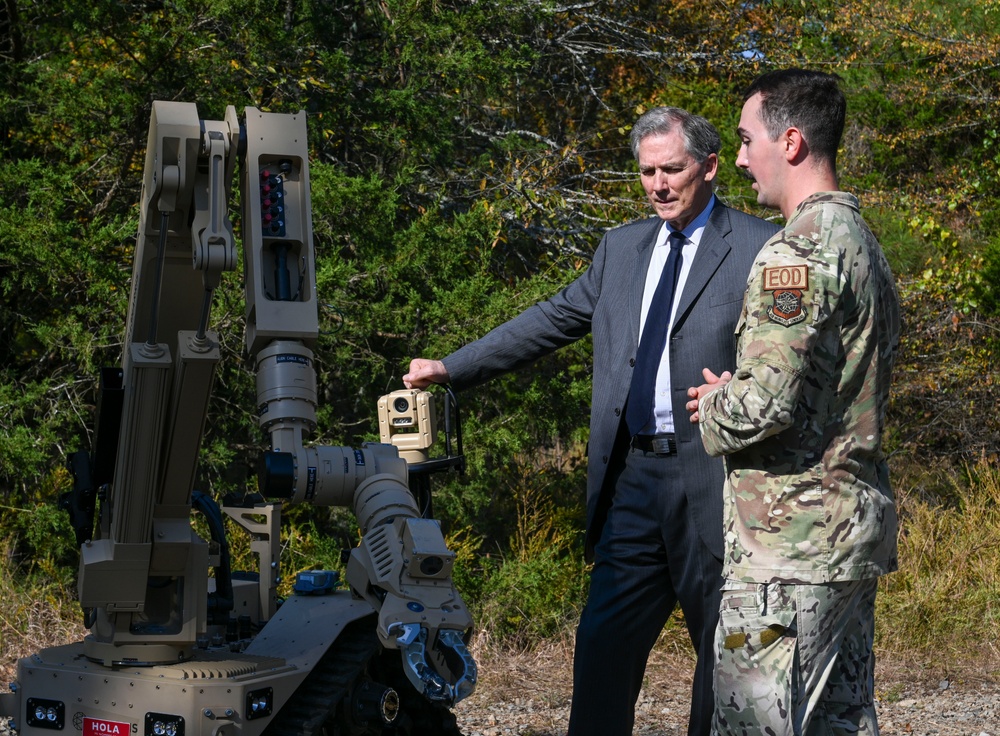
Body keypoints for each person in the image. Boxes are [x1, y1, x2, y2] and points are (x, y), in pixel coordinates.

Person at [403, 106, 780, 736]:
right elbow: (551, 320)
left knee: (725, 661)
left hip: (717, 481)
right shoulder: (621, 249)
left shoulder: (758, 247)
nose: (659, 184)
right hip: (631, 481)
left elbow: (784, 363)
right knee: (602, 650)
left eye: (673, 169)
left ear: (711, 167)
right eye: (647, 172)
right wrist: (452, 367)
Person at [686, 69, 901, 735]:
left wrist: (717, 403)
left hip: (787, 554)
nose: (741, 158)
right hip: (840, 543)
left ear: (793, 142)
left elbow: (766, 404)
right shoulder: (862, 243)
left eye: (749, 140)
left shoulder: (799, 251)